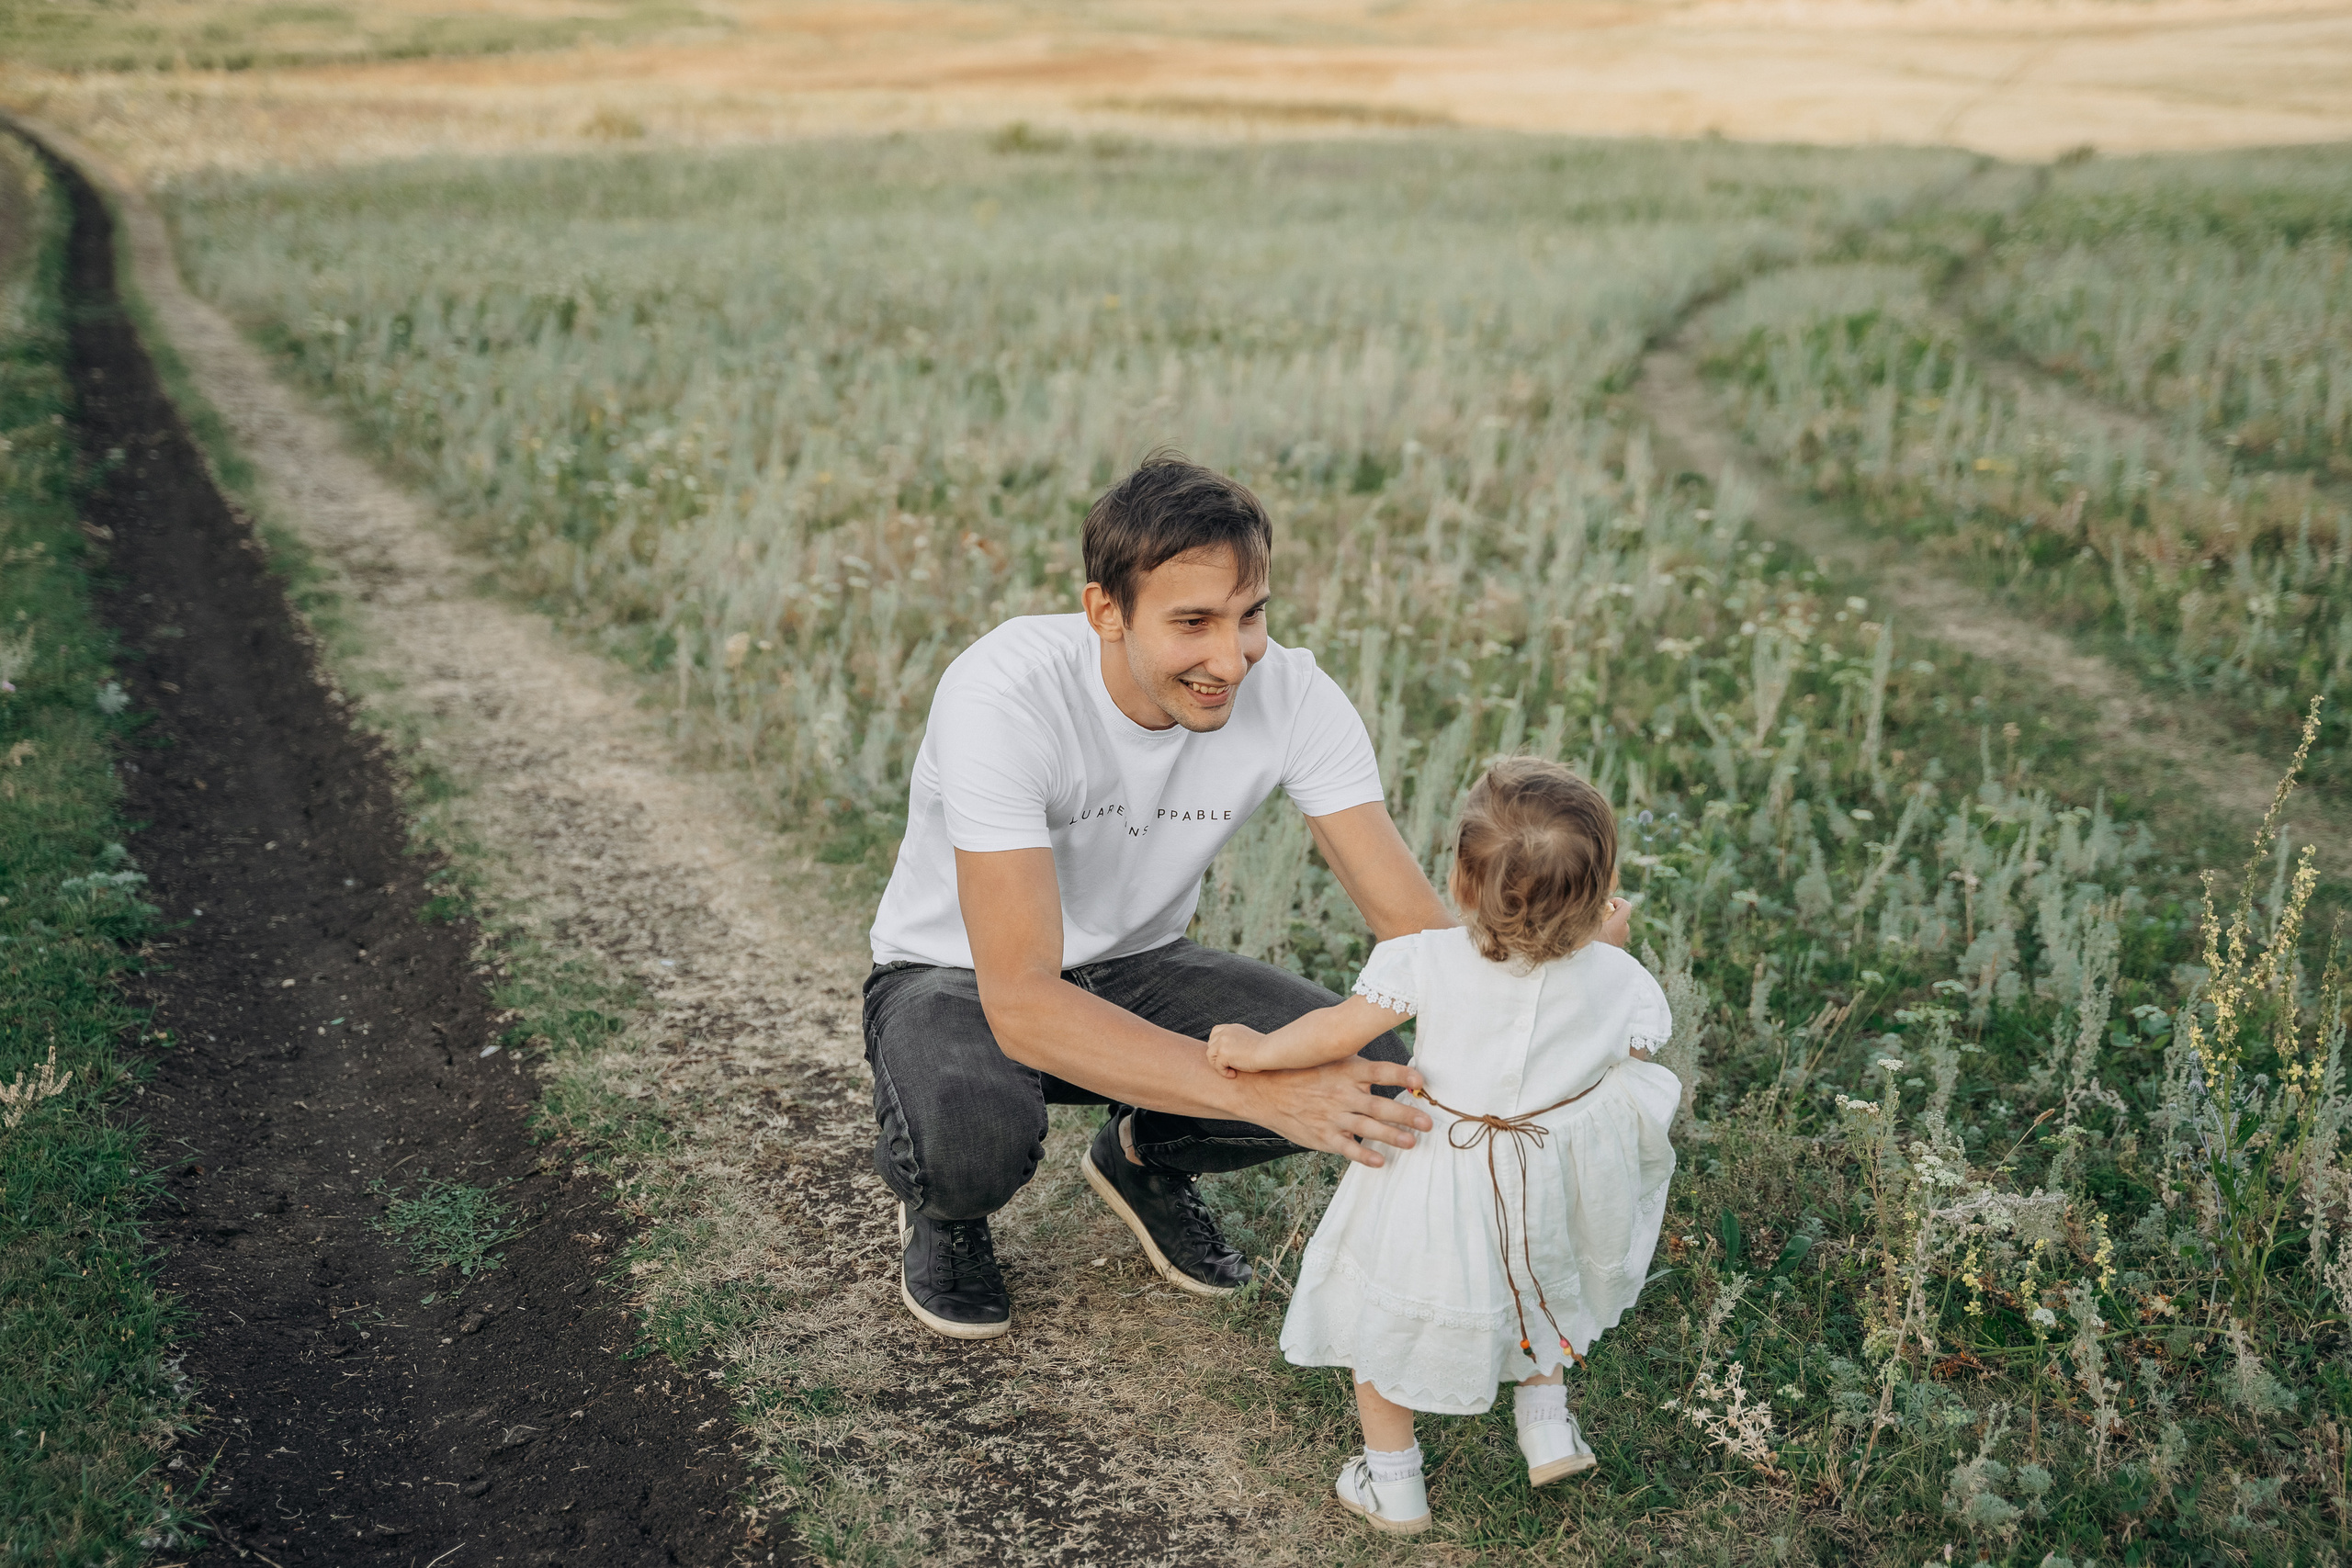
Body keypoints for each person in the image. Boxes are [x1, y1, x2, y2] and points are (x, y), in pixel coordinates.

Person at [1204, 758, 1678, 1535]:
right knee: (1538, 1272)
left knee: (1383, 1322)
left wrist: (1257, 1052)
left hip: (1437, 1167)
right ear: (1599, 894)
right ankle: (1546, 1425)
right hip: (1542, 1169)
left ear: (1461, 883)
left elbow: (1336, 1030)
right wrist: (1609, 948)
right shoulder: (1619, 977)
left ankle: (1394, 1483)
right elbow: (1629, 1050)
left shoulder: (1425, 959)